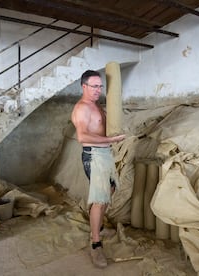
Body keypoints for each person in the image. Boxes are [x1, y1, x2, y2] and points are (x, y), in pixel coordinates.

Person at [71, 70, 126, 268]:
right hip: (93, 156)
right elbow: (82, 137)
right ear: (84, 86)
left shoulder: (96, 105)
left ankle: (98, 225)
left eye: (100, 86)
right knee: (99, 199)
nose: (98, 90)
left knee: (109, 190)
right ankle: (95, 243)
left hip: (104, 155)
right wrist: (111, 140)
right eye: (94, 86)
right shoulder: (82, 108)